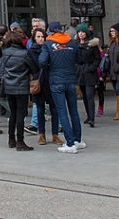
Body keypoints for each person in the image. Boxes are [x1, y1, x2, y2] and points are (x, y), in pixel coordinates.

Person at [39, 21, 84, 153]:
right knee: (74, 111)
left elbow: (42, 61)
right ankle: (78, 140)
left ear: (50, 31)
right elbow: (80, 60)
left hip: (56, 80)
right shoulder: (72, 42)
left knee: (62, 112)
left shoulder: (48, 44)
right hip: (71, 80)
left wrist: (49, 67)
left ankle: (69, 144)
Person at [0, 31, 38, 151]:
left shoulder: (4, 53)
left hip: (8, 87)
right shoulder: (25, 53)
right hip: (22, 86)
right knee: (21, 114)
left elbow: (1, 70)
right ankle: (20, 141)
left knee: (13, 113)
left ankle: (11, 139)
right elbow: (34, 69)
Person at [27, 28, 61, 145]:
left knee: (54, 109)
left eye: (42, 36)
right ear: (34, 38)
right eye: (38, 37)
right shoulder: (31, 51)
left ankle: (55, 134)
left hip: (51, 81)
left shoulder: (50, 49)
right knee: (40, 109)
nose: (41, 39)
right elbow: (32, 66)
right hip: (39, 82)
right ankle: (41, 135)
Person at [76, 32, 102, 127]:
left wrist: (91, 68)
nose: (81, 34)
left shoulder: (92, 45)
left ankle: (92, 118)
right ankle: (88, 116)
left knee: (90, 95)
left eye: (83, 32)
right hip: (80, 73)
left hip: (90, 73)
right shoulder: (76, 44)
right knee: (85, 97)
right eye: (79, 32)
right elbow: (75, 59)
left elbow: (97, 58)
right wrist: (77, 68)